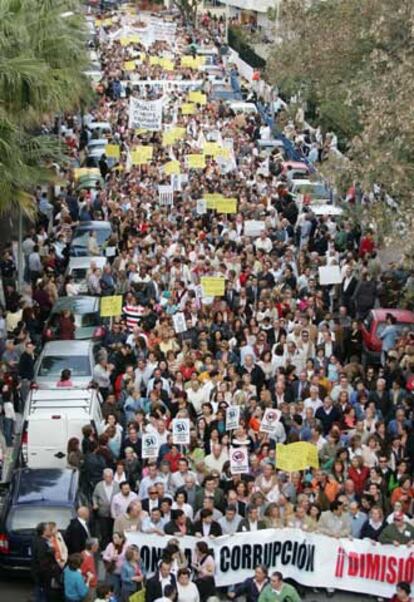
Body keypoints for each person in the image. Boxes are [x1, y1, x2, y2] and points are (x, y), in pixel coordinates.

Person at [31, 522, 60, 602]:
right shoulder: (42, 544)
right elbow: (42, 561)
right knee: (43, 595)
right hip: (43, 575)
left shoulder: (37, 539)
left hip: (39, 574)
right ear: (44, 531)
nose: (50, 530)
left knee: (39, 593)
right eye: (49, 529)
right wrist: (52, 568)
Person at [92, 469, 120, 547]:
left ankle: (113, 547)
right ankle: (104, 547)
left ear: (112, 477)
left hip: (114, 513)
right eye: (106, 477)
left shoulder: (117, 486)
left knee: (112, 531)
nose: (108, 479)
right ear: (103, 477)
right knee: (104, 532)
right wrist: (95, 504)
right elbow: (94, 496)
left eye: (110, 477)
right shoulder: (99, 485)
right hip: (102, 512)